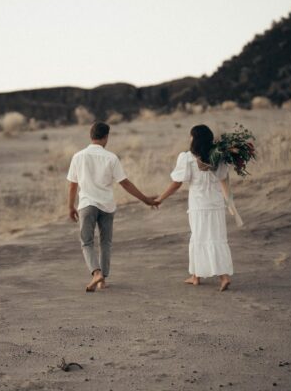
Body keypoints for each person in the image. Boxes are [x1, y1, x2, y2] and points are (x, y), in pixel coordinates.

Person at [67, 122, 159, 292]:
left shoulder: (78, 156)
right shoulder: (111, 157)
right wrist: (146, 199)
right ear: (106, 137)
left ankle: (96, 273)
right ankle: (103, 280)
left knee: (86, 242)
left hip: (86, 204)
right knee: (105, 242)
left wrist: (71, 206)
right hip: (107, 206)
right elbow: (125, 183)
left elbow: (73, 185)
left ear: (91, 136)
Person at [155, 124, 234, 291]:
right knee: (216, 237)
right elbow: (223, 178)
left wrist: (160, 198)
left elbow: (177, 183)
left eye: (190, 136)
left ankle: (207, 277)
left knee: (199, 238)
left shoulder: (187, 158)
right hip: (216, 204)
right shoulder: (218, 156)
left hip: (199, 205)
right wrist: (229, 201)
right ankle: (212, 276)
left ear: (194, 139)